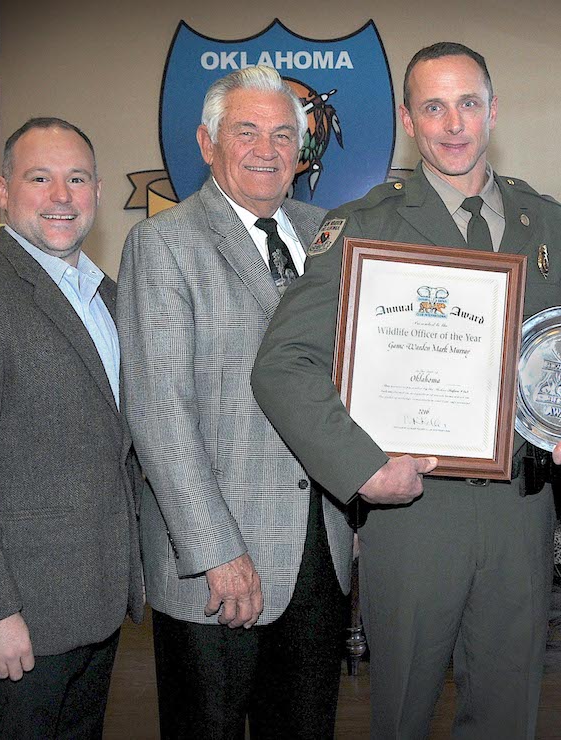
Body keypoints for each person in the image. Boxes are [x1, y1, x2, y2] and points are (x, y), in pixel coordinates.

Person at [251, 42, 561, 738]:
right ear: (409, 119)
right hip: (413, 511)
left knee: (508, 716)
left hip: (519, 511)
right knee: (404, 714)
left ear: (493, 112)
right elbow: (283, 364)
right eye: (434, 106)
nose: (453, 124)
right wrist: (361, 468)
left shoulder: (549, 225)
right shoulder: (364, 224)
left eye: (468, 103)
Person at [117, 66, 353, 739]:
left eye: (284, 134)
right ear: (206, 142)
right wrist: (218, 551)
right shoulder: (163, 245)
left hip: (320, 551)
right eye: (247, 131)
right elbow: (161, 417)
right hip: (216, 564)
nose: (268, 149)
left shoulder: (327, 234)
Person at [0, 117, 145, 738]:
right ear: (4, 191)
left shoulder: (108, 296)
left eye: (76, 178)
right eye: (40, 177)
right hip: (17, 619)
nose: (61, 196)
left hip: (95, 607)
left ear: (98, 193)